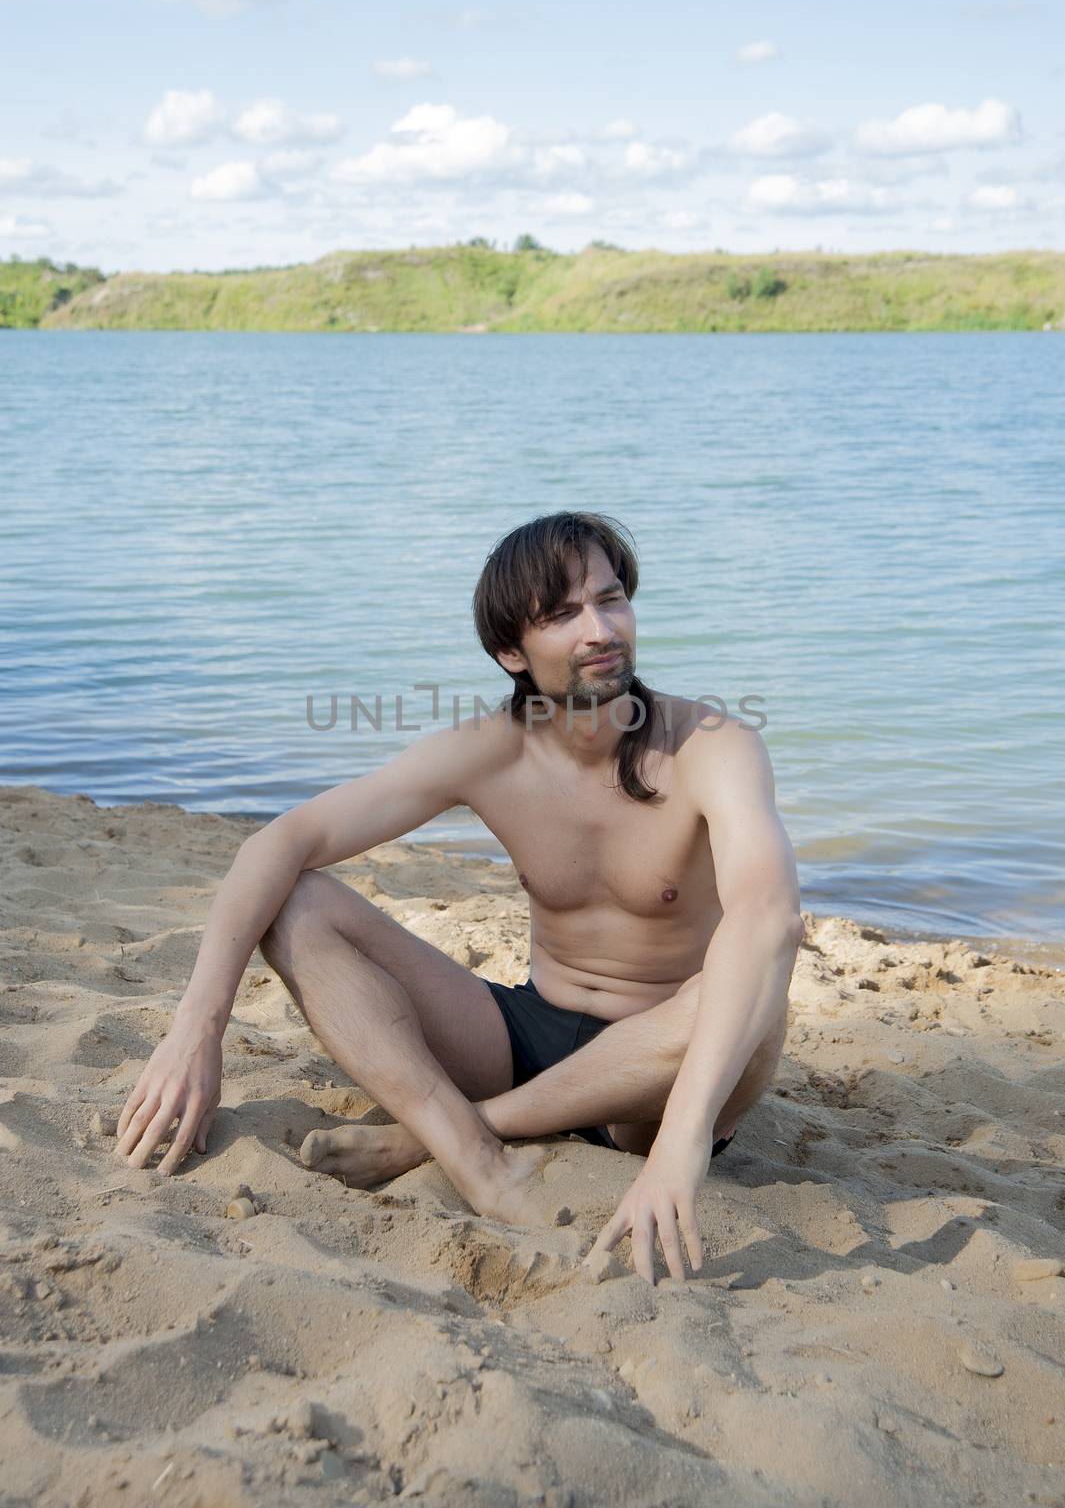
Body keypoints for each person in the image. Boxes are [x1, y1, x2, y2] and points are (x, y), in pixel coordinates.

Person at [116, 511, 803, 1285]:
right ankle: (477, 1162)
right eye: (562, 615)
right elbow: (278, 843)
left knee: (752, 983)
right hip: (522, 1036)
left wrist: (681, 1141)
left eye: (610, 601)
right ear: (510, 650)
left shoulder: (710, 743)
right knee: (298, 902)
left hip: (665, 1073)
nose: (599, 629)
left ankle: (433, 1136)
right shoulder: (486, 753)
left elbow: (765, 912)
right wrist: (195, 1030)